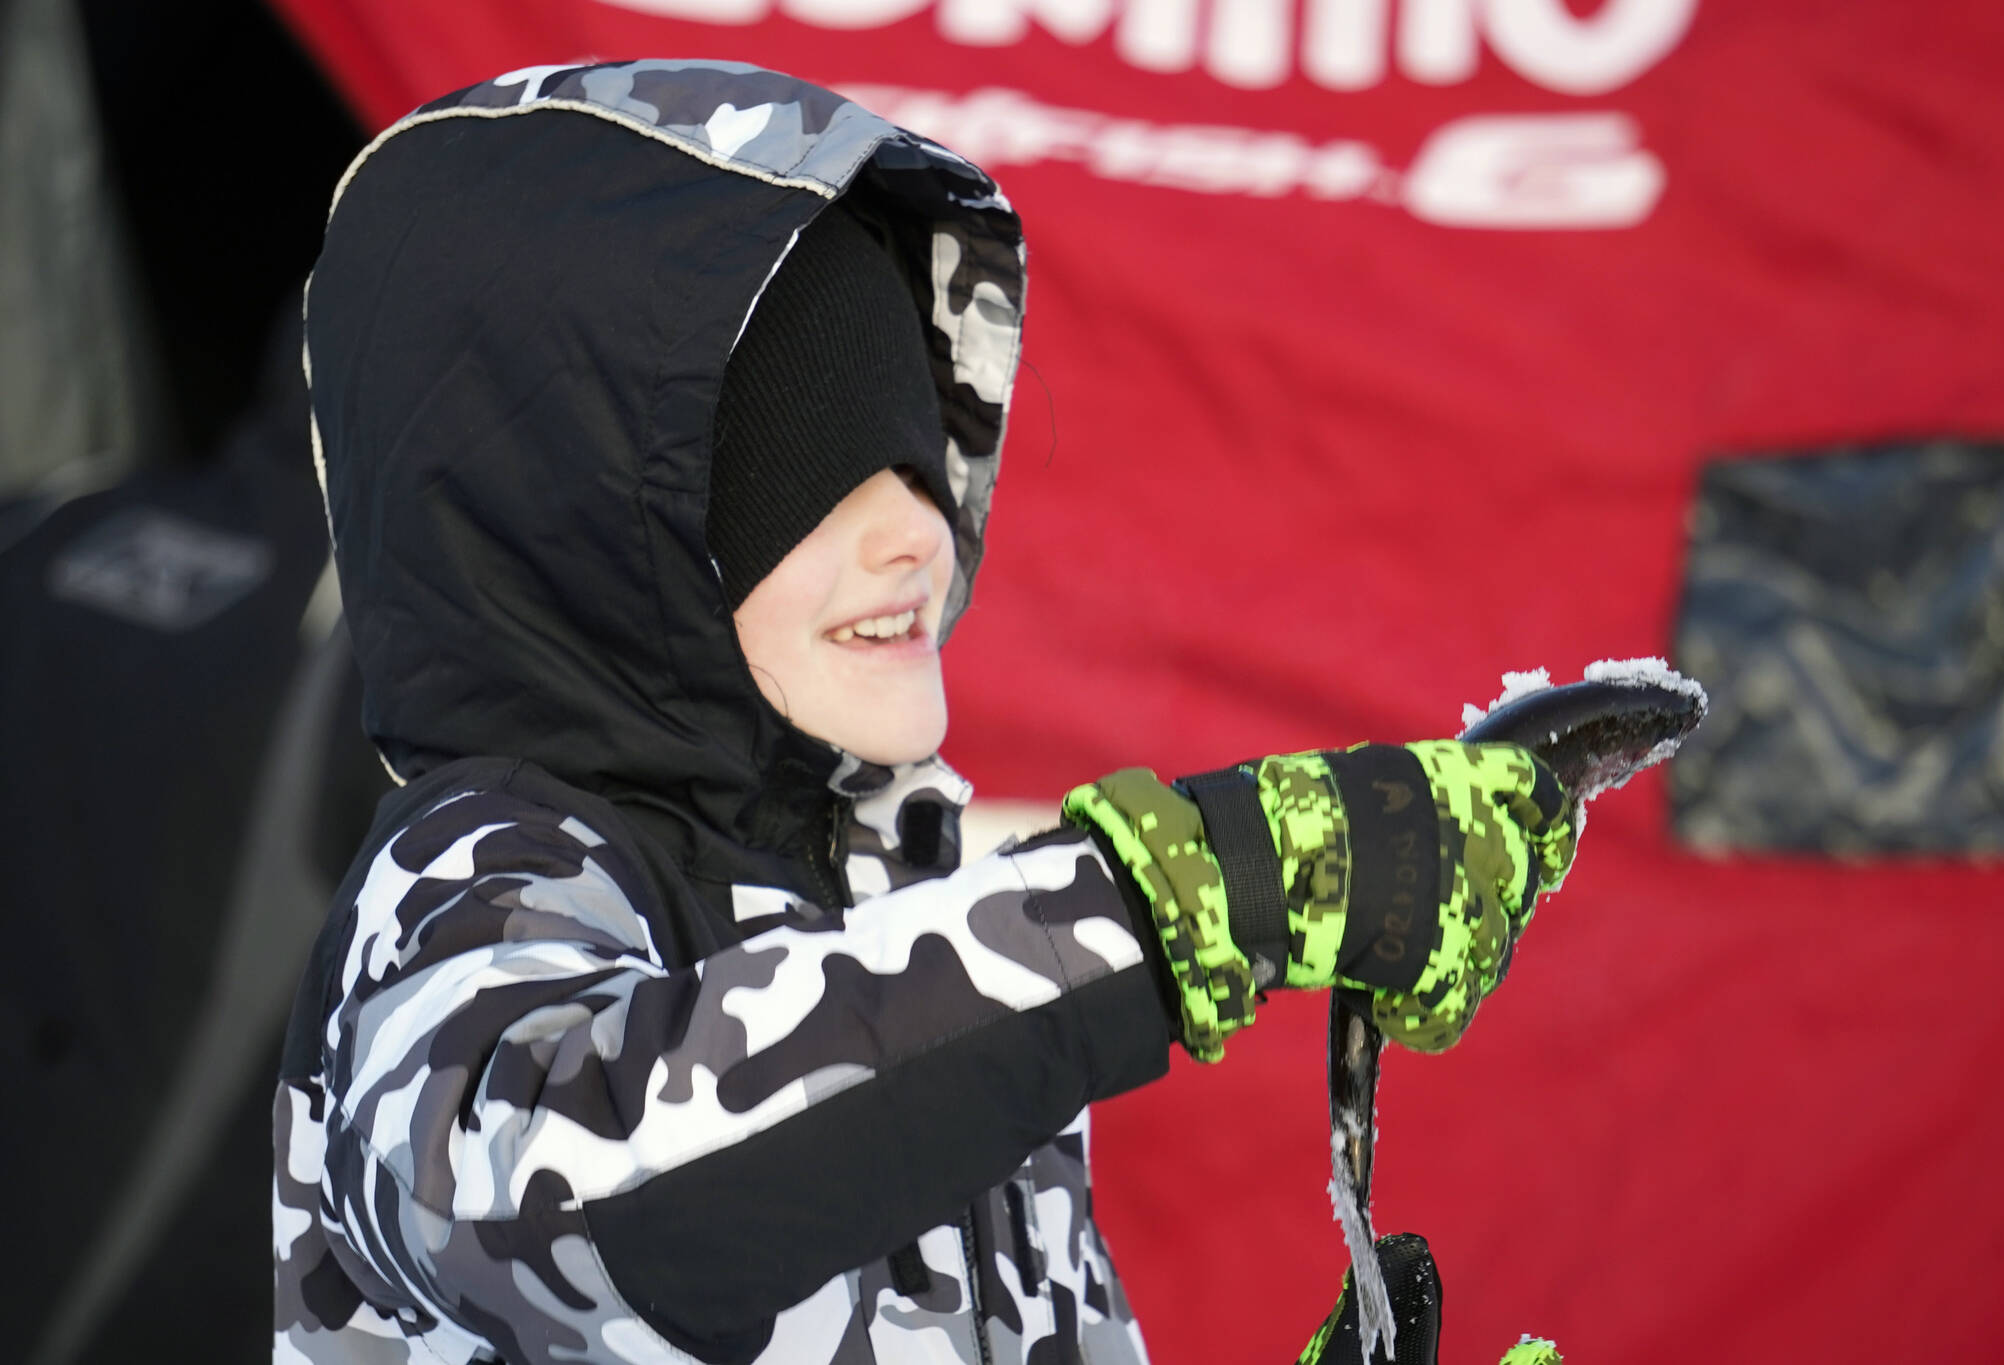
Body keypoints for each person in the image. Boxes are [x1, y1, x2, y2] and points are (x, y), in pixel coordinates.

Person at [274, 60, 1576, 1365]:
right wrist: (1187, 896)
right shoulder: (472, 881)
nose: (918, 531)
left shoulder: (914, 899)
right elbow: (570, 1202)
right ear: (591, 529)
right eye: (803, 479)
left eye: (912, 453)